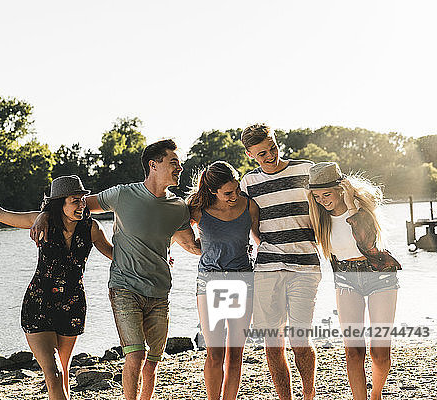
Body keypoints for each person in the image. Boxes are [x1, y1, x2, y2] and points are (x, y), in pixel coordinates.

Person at [29, 139, 201, 400]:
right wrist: (44, 213)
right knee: (136, 354)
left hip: (160, 291)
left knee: (153, 360)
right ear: (154, 165)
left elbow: (192, 245)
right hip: (124, 288)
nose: (180, 167)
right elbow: (77, 204)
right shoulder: (123, 194)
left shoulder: (178, 208)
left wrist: (226, 233)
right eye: (174, 162)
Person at [0, 172, 113, 400]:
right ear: (59, 203)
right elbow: (0, 214)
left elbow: (116, 255)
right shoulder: (41, 221)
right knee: (53, 372)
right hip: (39, 305)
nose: (82, 205)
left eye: (83, 200)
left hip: (73, 306)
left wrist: (158, 255)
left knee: (62, 370)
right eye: (75, 200)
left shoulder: (92, 229)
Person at [239, 124, 321, 400]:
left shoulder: (305, 169)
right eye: (261, 153)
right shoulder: (248, 183)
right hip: (268, 267)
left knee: (300, 338)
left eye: (272, 148)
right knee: (272, 343)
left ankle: (308, 395)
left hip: (306, 265)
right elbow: (250, 222)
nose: (270, 156)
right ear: (250, 154)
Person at [306, 162, 400, 400]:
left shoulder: (361, 210)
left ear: (341, 189)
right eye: (317, 196)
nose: (323, 201)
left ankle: (376, 394)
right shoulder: (320, 217)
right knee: (353, 351)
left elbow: (367, 244)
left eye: (326, 194)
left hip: (379, 276)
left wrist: (350, 207)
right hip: (346, 279)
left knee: (379, 352)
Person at [186, 160, 260, 400]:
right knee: (215, 352)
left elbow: (259, 242)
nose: (235, 195)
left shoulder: (249, 207)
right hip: (209, 283)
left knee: (236, 354)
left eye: (237, 189)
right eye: (228, 192)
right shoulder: (197, 209)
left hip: (242, 281)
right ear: (212, 191)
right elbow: (175, 231)